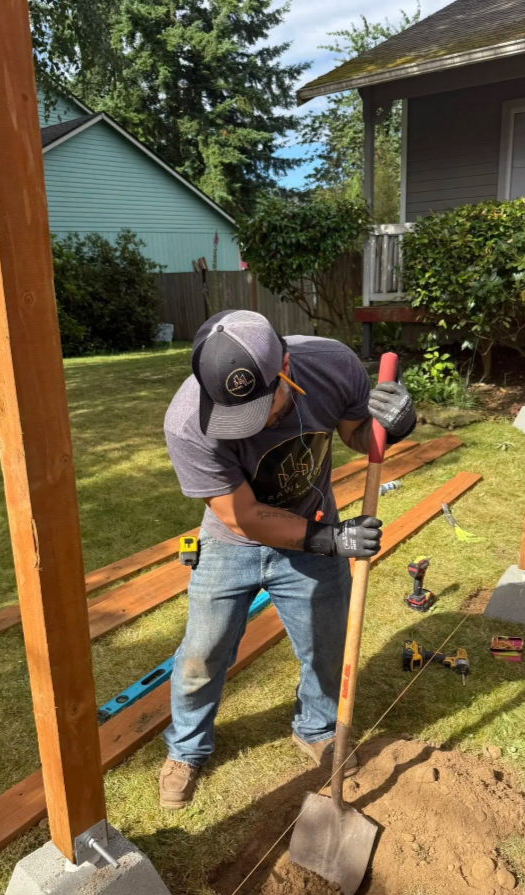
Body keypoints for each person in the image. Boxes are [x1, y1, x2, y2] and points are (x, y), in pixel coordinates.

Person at [160, 310, 416, 808]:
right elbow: (244, 517)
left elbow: (358, 435)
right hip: (231, 543)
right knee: (200, 656)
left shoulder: (333, 364)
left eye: (263, 404)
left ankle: (317, 728)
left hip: (314, 518)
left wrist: (396, 423)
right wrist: (329, 540)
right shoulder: (188, 422)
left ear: (287, 367)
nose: (252, 424)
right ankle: (187, 749)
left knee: (326, 646)